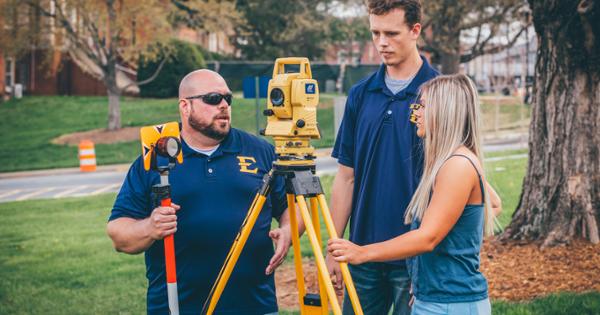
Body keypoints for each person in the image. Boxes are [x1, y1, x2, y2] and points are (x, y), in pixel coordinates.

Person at [106, 69, 292, 315]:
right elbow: (118, 233)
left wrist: (289, 230)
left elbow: (290, 208)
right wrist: (150, 227)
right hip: (177, 306)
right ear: (185, 106)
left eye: (228, 98)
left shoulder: (261, 152)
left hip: (254, 305)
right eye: (213, 98)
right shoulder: (155, 159)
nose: (224, 105)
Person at [328, 74, 502, 315]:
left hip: (451, 303)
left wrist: (362, 252)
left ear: (444, 111)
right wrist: (424, 281)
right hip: (435, 298)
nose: (415, 113)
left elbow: (427, 238)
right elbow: (493, 204)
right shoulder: (453, 161)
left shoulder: (457, 165)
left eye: (422, 106)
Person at [326, 0, 438, 314]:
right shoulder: (360, 94)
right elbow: (346, 177)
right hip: (360, 253)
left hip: (416, 256)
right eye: (375, 33)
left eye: (391, 33)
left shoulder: (440, 93)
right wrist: (333, 248)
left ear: (415, 30)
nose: (381, 43)